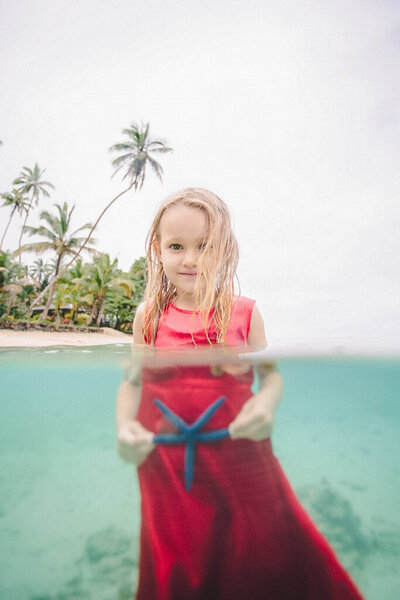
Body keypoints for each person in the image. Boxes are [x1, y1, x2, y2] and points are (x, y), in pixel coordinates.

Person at [116, 188, 364, 600]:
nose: (191, 259)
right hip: (169, 470)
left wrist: (265, 403)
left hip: (243, 461)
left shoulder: (245, 313)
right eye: (177, 246)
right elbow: (132, 380)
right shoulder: (149, 317)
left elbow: (271, 377)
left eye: (206, 246)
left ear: (225, 249)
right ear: (158, 250)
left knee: (261, 558)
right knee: (181, 564)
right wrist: (125, 427)